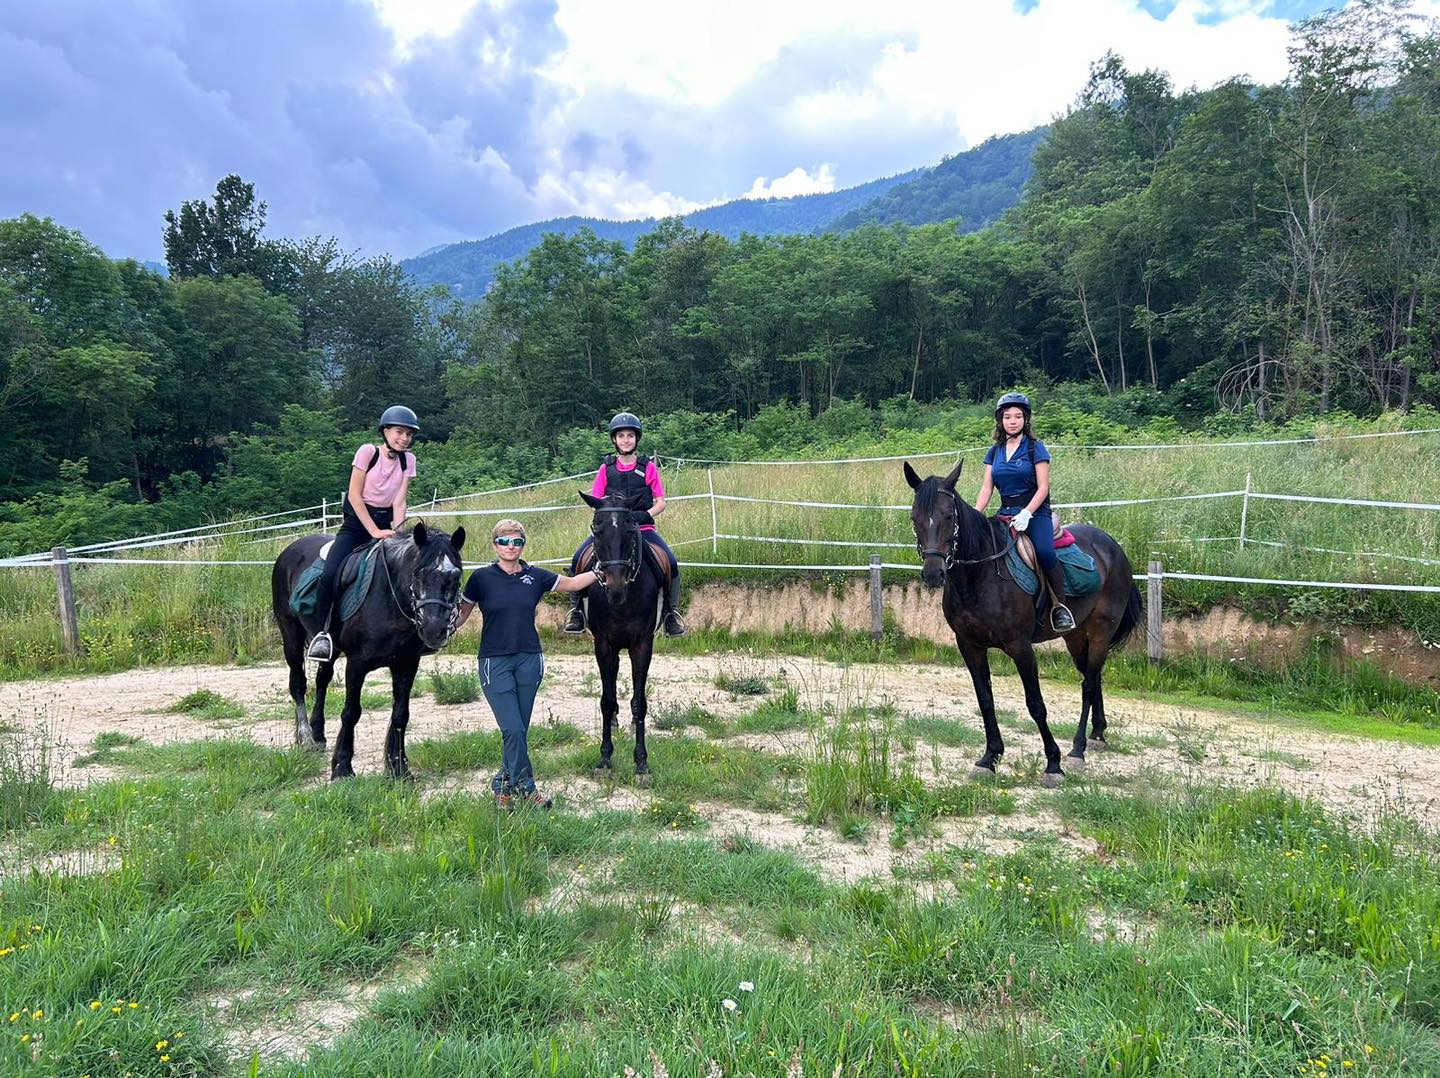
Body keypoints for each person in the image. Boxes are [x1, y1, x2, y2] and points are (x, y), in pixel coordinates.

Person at [454, 519, 596, 810]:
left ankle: (503, 787)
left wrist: (601, 569)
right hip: (494, 661)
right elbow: (459, 617)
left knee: (519, 728)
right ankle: (527, 788)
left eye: (517, 542)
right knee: (513, 729)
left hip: (530, 659)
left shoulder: (536, 576)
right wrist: (431, 629)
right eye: (504, 541)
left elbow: (572, 583)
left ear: (523, 545)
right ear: (495, 545)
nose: (511, 547)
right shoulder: (480, 578)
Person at [306, 405, 420, 661]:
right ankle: (321, 634)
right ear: (385, 431)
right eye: (399, 432)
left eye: (409, 435)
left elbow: (400, 502)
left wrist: (399, 534)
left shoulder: (408, 460)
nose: (404, 438)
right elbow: (355, 496)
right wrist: (374, 531)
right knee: (330, 573)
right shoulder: (368, 452)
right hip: (357, 525)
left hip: (387, 524)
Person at [562, 412, 686, 637]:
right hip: (611, 531)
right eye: (621, 436)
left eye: (630, 435)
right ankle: (577, 610)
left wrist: (644, 516)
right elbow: (597, 502)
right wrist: (611, 521)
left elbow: (661, 502)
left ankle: (670, 614)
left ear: (636, 439)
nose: (626, 440)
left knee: (671, 561)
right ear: (614, 439)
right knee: (577, 557)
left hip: (642, 530)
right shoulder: (605, 468)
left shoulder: (647, 467)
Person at [973, 392, 1076, 633]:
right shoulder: (995, 451)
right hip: (1005, 513)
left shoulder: (1035, 448)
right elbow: (987, 487)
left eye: (1018, 416)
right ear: (1000, 420)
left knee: (1044, 551)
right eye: (1007, 416)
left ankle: (1059, 606)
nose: (1013, 421)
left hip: (1035, 514)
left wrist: (1028, 512)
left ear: (1026, 420)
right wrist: (977, 514)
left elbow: (1043, 487)